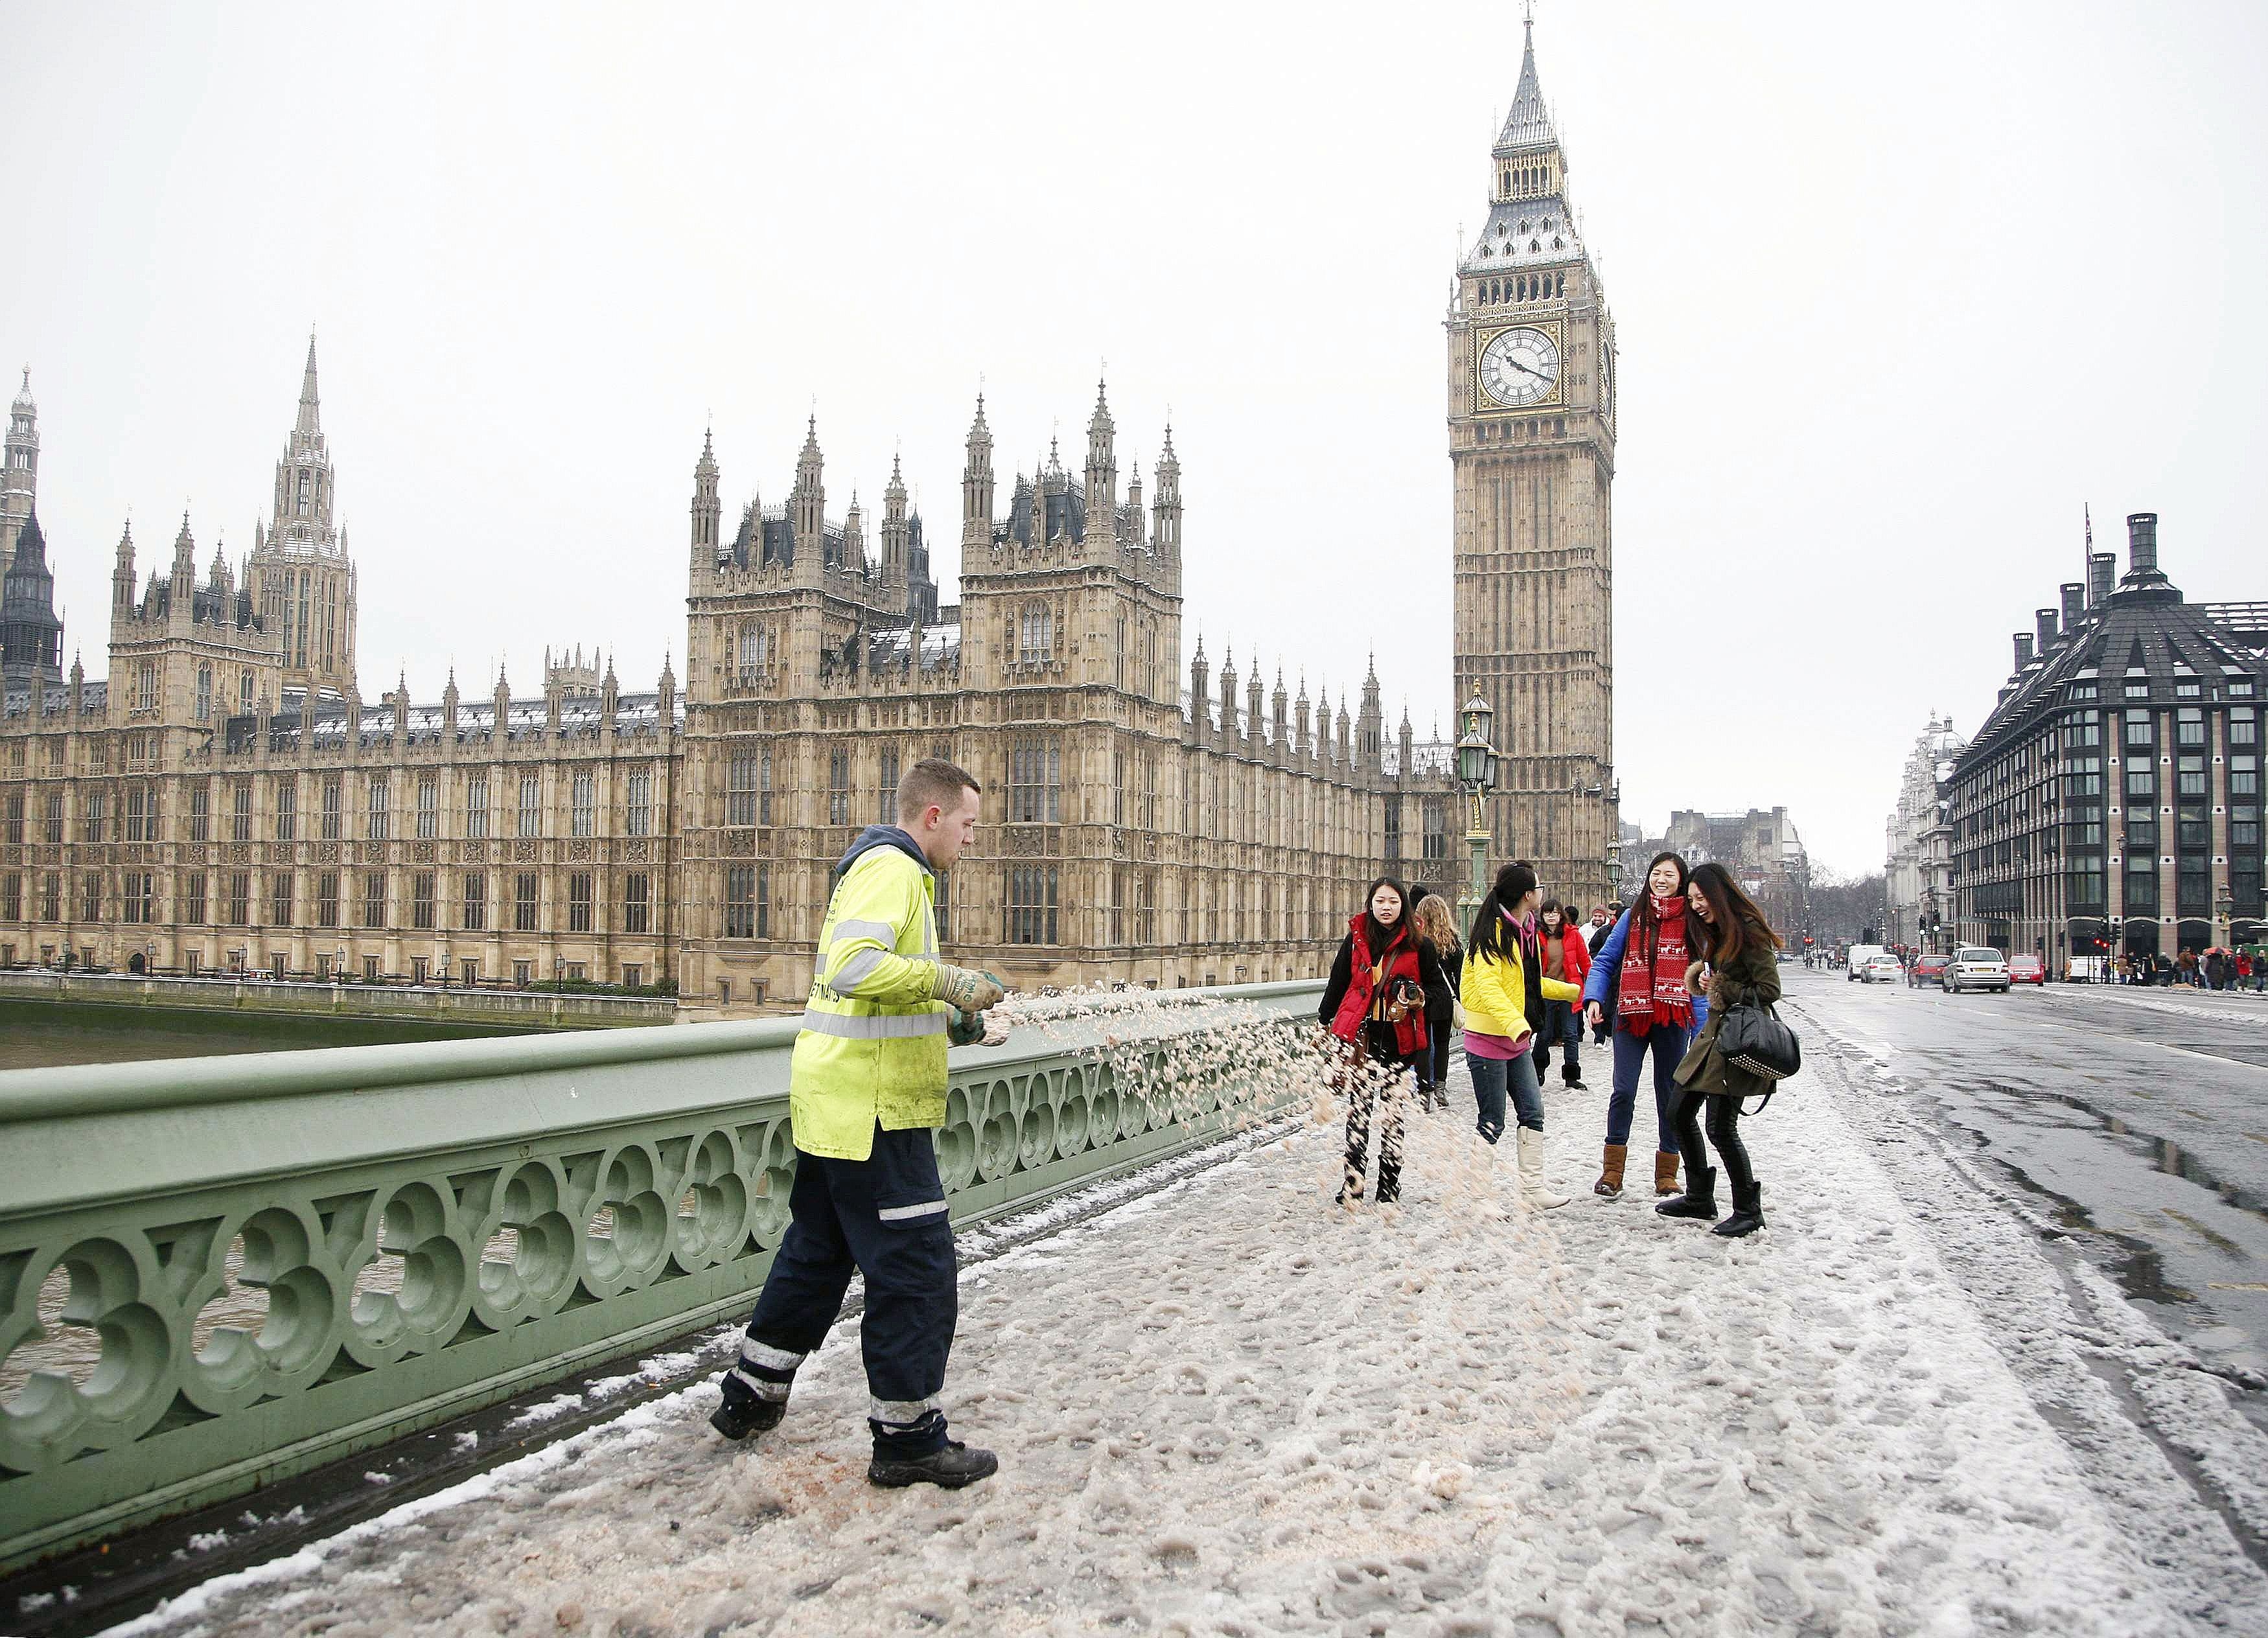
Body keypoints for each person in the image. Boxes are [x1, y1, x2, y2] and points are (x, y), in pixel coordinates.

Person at [709, 758, 1006, 1490]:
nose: (971, 840)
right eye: (967, 824)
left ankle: (752, 1393)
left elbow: (874, 995)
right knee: (916, 1270)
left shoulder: (879, 868)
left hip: (835, 1100)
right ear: (932, 816)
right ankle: (907, 1440)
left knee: (817, 1253)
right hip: (875, 1111)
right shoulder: (895, 869)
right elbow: (852, 967)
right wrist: (947, 979)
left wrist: (951, 1021)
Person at [1660, 862, 1783, 1237]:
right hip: (1712, 1036)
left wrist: (1723, 987)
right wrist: (1702, 977)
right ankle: (1700, 1196)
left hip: (1734, 1040)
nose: (1696, 905)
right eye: (1693, 899)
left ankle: (1748, 1209)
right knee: (1678, 1112)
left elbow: (1769, 990)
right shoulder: (1717, 932)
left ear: (1720, 894)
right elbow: (1718, 978)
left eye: (1702, 898)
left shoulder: (1748, 932)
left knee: (1721, 1127)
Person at [1581, 853, 1706, 1201]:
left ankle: (1667, 1173)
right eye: (1656, 873)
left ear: (1681, 880)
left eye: (1669, 874)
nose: (1661, 879)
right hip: (1631, 1016)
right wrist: (1594, 997)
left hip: (1671, 1019)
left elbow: (1700, 977)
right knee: (1623, 1091)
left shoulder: (1692, 923)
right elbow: (1605, 960)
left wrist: (1703, 1026)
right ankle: (1612, 1171)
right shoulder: (1632, 917)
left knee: (1669, 1095)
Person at [1459, 862, 1583, 1208]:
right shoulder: (1494, 934)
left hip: (1516, 1041)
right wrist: (1516, 1024)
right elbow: (1488, 987)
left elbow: (1525, 986)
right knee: (1492, 1120)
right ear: (1528, 895)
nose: (1542, 892)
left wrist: (1573, 992)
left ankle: (1532, 1190)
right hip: (1488, 1041)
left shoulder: (1526, 931)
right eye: (1538, 887)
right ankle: (1478, 1194)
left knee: (1532, 1111)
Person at [1320, 877, 1443, 1206]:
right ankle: (1353, 1185)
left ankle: (1389, 1184)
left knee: (1392, 1115)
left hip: (1400, 1037)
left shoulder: (1420, 946)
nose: (1386, 908)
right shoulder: (1356, 941)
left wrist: (1416, 998)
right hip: (1363, 1036)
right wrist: (1324, 1020)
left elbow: (1439, 992)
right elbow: (1339, 982)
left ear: (1402, 905)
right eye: (1379, 901)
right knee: (1358, 1112)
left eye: (1392, 901)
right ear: (1370, 905)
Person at [1411, 892, 1464, 1113]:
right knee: (1442, 1045)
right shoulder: (1452, 940)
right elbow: (1461, 974)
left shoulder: (1416, 940)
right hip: (1444, 998)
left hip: (1423, 997)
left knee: (1424, 1045)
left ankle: (1425, 1093)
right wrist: (1459, 999)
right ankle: (1441, 1088)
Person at [1531, 899, 1591, 1091]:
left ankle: (1571, 1076)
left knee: (1570, 1034)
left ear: (1561, 915)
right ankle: (1537, 1070)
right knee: (1544, 1034)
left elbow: (1584, 961)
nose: (1551, 916)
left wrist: (1592, 988)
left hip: (1569, 989)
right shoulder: (1535, 936)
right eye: (1547, 912)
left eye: (1555, 912)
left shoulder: (1573, 935)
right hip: (1546, 990)